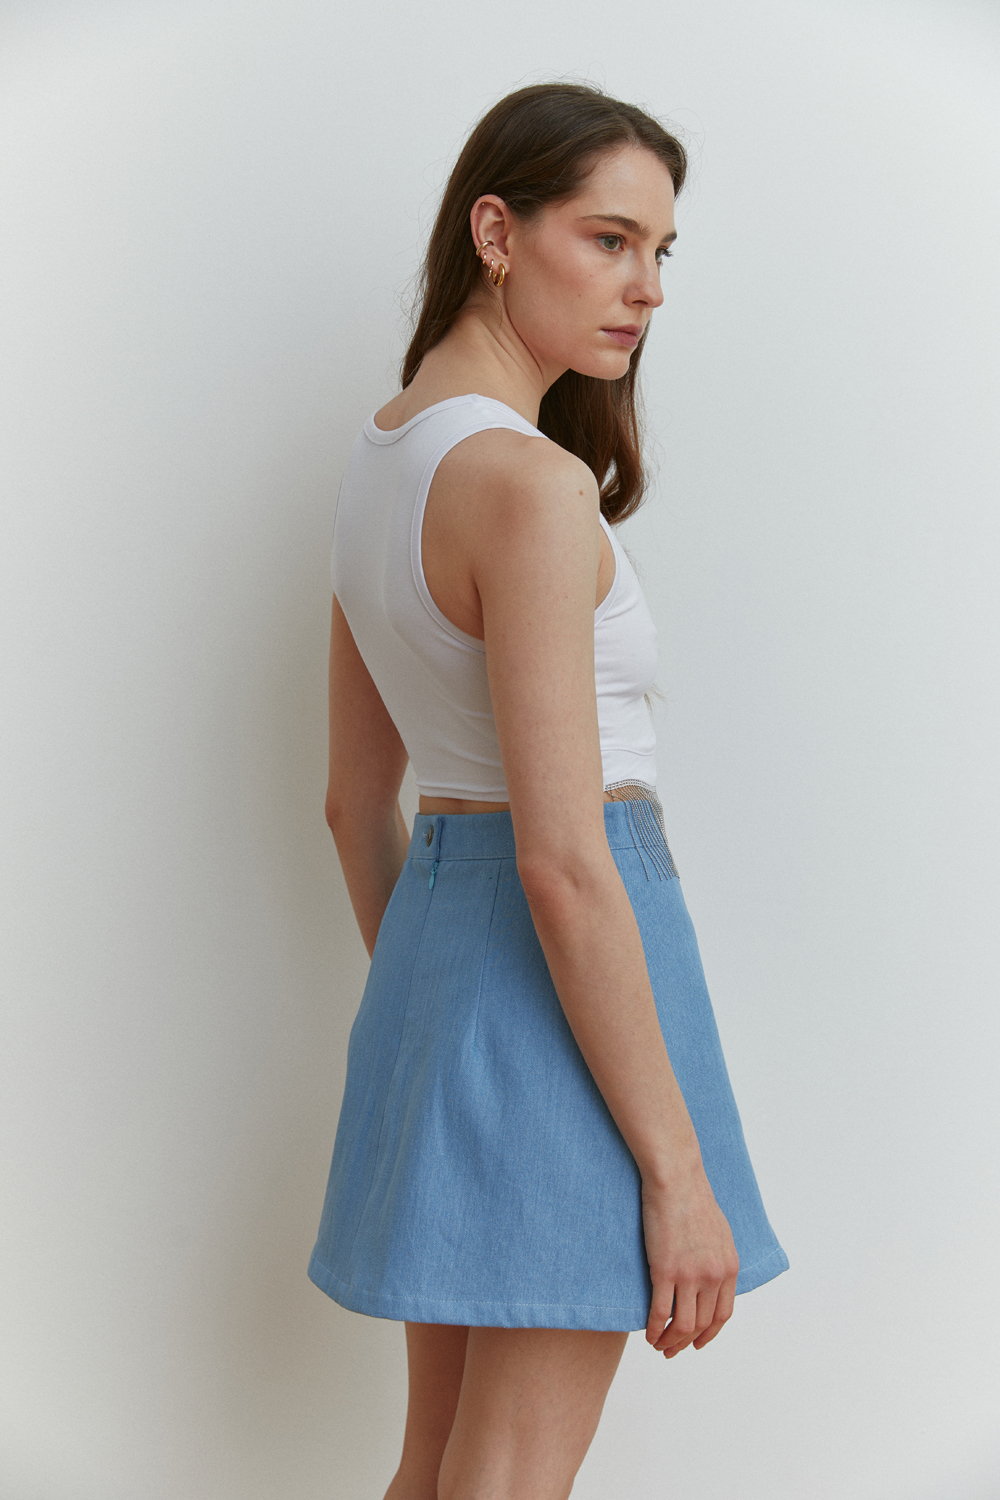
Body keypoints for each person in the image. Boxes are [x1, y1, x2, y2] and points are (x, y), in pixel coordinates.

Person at [308, 81, 788, 1500]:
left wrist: (442, 1013)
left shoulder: (381, 459)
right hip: (569, 972)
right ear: (497, 232)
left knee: (441, 1469)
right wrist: (675, 1171)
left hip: (444, 974)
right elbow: (568, 865)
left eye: (663, 252)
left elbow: (354, 803)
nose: (645, 287)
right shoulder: (526, 486)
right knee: (509, 1478)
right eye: (610, 238)